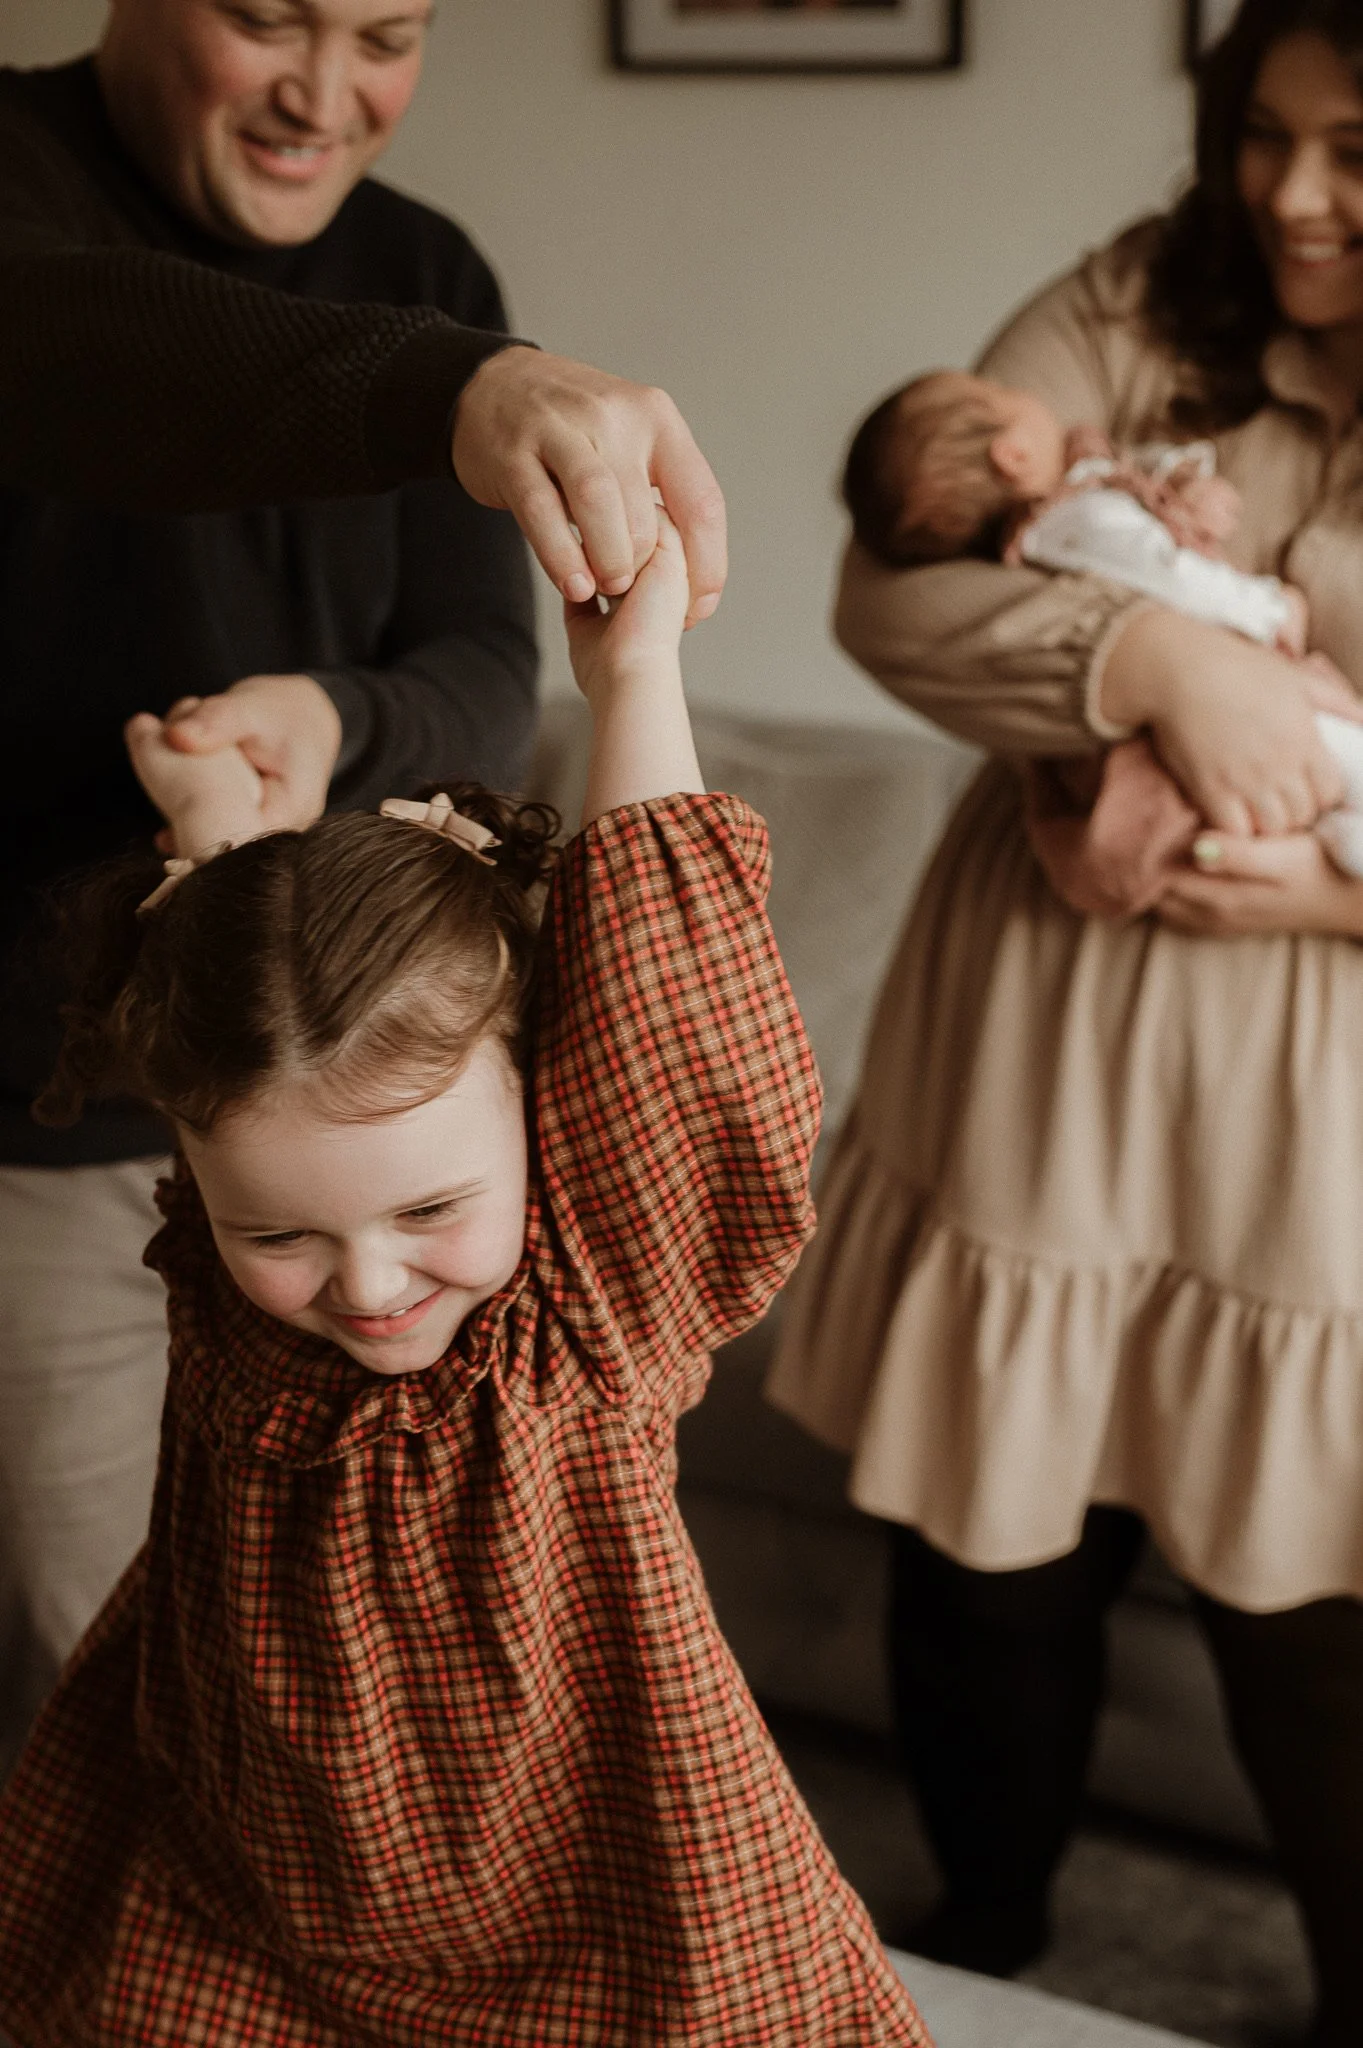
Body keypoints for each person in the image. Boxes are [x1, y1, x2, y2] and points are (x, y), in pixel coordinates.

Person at [0, 515, 927, 2048]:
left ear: (541, 1105)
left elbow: (677, 1020)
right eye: (276, 1235)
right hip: (254, 1881)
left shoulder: (586, 1307)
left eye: (430, 1206)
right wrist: (214, 824)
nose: (364, 1283)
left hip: (596, 1913)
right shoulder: (232, 1219)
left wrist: (632, 677)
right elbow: (248, 1021)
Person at [0, 0, 726, 1707]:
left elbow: (483, 673)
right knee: (108, 1663)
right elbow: (69, 345)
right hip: (42, 1117)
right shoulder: (25, 194)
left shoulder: (427, 267)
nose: (325, 94)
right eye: (265, 19)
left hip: (345, 1093)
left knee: (356, 1677)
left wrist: (331, 727)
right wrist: (447, 388)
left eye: (385, 33)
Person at [768, 5, 1363, 2041]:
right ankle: (981, 1941)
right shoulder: (1137, 292)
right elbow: (891, 587)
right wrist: (1145, 662)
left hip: (1316, 1107)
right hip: (1032, 1037)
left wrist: (1338, 875)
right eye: (1261, 135)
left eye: (1353, 149)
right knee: (992, 1546)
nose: (1289, 198)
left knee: (1314, 1593)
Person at [840, 367, 1363, 906]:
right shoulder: (1078, 520)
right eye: (1001, 391)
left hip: (1223, 683)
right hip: (1234, 666)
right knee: (1323, 731)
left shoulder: (1069, 515)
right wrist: (1266, 608)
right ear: (1011, 455)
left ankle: (1343, 823)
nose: (1026, 390)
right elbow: (1169, 573)